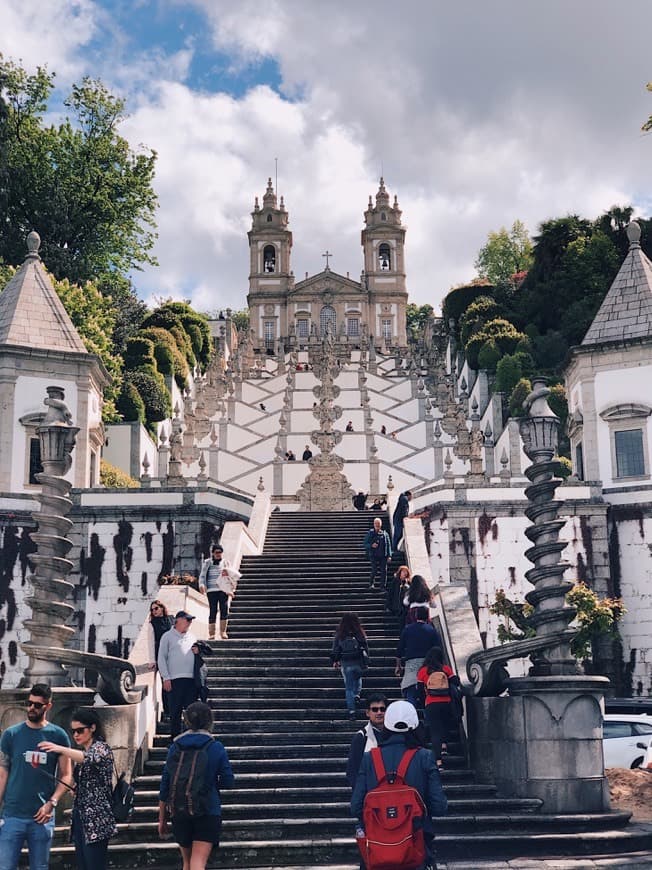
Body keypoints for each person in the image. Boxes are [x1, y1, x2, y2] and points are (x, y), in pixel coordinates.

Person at [351, 700, 447, 870]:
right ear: (416, 726)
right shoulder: (425, 757)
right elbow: (439, 806)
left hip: (376, 852)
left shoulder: (369, 758)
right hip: (414, 850)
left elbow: (356, 806)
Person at [0, 683, 73, 870]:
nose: (31, 708)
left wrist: (52, 802)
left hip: (42, 816)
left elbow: (66, 775)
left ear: (48, 706)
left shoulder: (58, 736)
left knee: (39, 867)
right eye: (29, 703)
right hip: (12, 814)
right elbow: (2, 773)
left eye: (37, 705)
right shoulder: (11, 735)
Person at [159, 701, 234, 870]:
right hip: (208, 809)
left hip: (179, 809)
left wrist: (162, 819)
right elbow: (228, 780)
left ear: (186, 721)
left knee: (187, 863)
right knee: (198, 862)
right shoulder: (215, 747)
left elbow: (165, 785)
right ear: (210, 721)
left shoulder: (175, 747)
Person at [39, 707, 116, 870]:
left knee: (94, 864)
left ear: (93, 728)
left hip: (96, 819)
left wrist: (60, 748)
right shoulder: (83, 751)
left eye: (80, 731)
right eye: (73, 731)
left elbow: (89, 758)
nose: (76, 735)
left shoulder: (101, 748)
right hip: (81, 817)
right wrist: (75, 787)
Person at [158, 611, 201, 740]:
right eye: (187, 619)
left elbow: (198, 656)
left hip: (191, 680)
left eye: (190, 620)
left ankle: (191, 738)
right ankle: (175, 739)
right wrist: (165, 677)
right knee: (175, 711)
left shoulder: (192, 637)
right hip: (174, 679)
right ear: (178, 620)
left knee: (191, 711)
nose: (190, 622)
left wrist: (198, 651)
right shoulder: (167, 636)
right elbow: (161, 658)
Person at [396, 607, 442, 708]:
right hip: (427, 664)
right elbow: (437, 649)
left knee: (410, 690)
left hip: (411, 664)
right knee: (427, 691)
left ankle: (411, 715)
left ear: (416, 615)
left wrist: (398, 665)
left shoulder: (408, 629)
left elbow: (400, 648)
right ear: (427, 616)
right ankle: (427, 717)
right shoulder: (431, 630)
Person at [417, 647, 456, 769]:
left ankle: (438, 761)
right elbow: (456, 682)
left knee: (435, 731)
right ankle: (444, 746)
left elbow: (419, 691)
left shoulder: (423, 671)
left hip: (431, 703)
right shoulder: (446, 669)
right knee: (445, 725)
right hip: (446, 702)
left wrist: (425, 702)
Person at [199, 544, 241, 640]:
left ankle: (223, 632)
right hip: (211, 590)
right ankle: (212, 633)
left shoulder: (226, 562)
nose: (219, 554)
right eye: (217, 552)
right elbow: (202, 575)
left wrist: (230, 588)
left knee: (224, 609)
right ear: (213, 553)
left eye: (220, 552)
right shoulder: (207, 562)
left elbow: (231, 575)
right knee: (213, 610)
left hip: (223, 589)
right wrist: (202, 584)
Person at [346, 694, 388, 789]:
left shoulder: (395, 735)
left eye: (382, 709)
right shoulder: (360, 737)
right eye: (374, 709)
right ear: (367, 713)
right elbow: (353, 770)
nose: (379, 712)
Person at [331, 613, 369, 718]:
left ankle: (352, 711)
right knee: (357, 679)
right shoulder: (359, 632)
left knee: (348, 688)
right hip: (358, 662)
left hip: (346, 663)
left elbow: (335, 648)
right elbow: (365, 646)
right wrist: (366, 661)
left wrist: (335, 660)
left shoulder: (340, 634)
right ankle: (357, 695)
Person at [148, 599, 173, 714]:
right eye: (152, 610)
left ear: (162, 608)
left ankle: (175, 707)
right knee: (165, 682)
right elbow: (150, 642)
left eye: (156, 608)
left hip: (172, 655)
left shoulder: (170, 620)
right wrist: (152, 660)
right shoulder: (152, 624)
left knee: (175, 682)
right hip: (161, 655)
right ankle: (167, 710)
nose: (154, 611)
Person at [364, 517, 392, 591]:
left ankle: (382, 586)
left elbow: (388, 545)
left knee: (384, 571)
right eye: (376, 524)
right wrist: (371, 545)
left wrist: (389, 555)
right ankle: (371, 584)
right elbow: (365, 544)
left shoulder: (385, 534)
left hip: (383, 555)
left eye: (378, 524)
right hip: (373, 555)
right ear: (373, 524)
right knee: (374, 569)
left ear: (381, 525)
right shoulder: (370, 533)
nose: (377, 525)